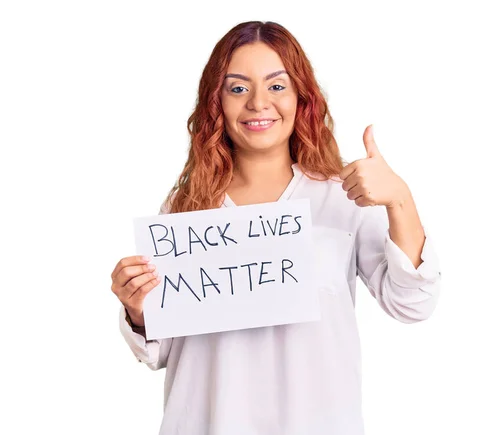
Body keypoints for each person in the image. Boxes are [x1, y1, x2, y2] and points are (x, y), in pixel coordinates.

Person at [110, 20, 441, 435]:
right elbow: (160, 352)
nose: (258, 103)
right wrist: (138, 310)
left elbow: (412, 303)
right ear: (217, 103)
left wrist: (400, 200)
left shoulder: (344, 197)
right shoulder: (183, 212)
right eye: (237, 88)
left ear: (302, 97)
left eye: (277, 86)